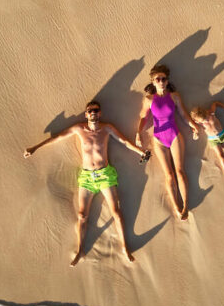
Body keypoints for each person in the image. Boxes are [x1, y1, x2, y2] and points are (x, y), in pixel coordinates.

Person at [24, 100, 149, 265]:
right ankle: (80, 249)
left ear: (100, 113)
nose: (93, 113)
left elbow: (124, 141)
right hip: (87, 177)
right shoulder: (79, 129)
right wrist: (35, 147)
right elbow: (58, 138)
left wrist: (140, 151)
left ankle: (124, 247)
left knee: (116, 213)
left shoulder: (107, 128)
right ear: (86, 114)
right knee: (82, 215)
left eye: (96, 110)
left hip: (105, 175)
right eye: (90, 111)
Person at [138, 64, 195, 220]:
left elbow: (183, 115)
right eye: (158, 79)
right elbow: (143, 117)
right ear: (153, 82)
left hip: (175, 135)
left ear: (167, 81)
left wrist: (193, 125)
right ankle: (176, 206)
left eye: (164, 79)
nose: (162, 81)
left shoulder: (174, 96)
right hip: (158, 139)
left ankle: (185, 205)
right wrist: (138, 132)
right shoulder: (149, 99)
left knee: (180, 172)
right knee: (169, 175)